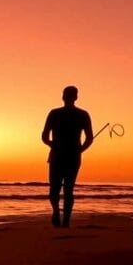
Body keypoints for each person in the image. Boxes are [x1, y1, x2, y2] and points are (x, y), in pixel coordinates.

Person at [41, 85, 93, 227]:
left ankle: (58, 213)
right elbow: (89, 139)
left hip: (59, 155)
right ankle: (64, 220)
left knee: (55, 188)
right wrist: (80, 149)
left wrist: (52, 145)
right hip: (72, 156)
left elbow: (44, 137)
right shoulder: (82, 114)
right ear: (76, 97)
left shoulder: (55, 113)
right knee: (68, 189)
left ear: (63, 96)